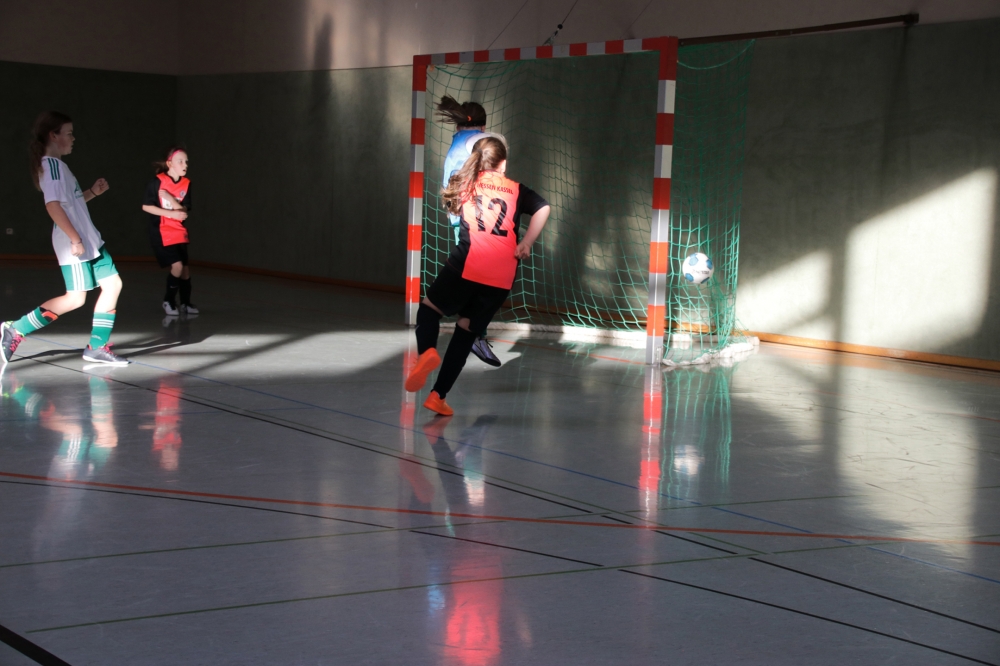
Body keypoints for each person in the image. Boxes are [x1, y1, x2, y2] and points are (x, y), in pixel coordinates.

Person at [405, 137, 550, 415]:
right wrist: (526, 242)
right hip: (501, 275)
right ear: (503, 164)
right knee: (466, 331)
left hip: (468, 263)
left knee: (429, 310)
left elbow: (455, 209)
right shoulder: (517, 189)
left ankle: (427, 353)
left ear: (476, 161)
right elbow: (543, 207)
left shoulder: (466, 183)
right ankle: (438, 396)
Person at [1, 112, 130, 367]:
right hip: (75, 242)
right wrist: (74, 238)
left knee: (113, 285)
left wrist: (92, 192)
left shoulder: (60, 166)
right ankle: (15, 329)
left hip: (90, 240)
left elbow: (71, 203)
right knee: (75, 299)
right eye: (69, 133)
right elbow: (53, 206)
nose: (73, 138)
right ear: (53, 135)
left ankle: (96, 347)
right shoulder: (51, 166)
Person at [437, 95, 506, 368]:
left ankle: (472, 332)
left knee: (476, 278)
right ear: (483, 125)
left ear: (459, 124)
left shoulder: (457, 143)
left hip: (460, 219)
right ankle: (474, 334)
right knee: (485, 281)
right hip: (476, 222)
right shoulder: (483, 141)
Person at [141, 147, 197, 316]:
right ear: (170, 163)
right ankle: (169, 301)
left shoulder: (186, 184)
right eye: (180, 161)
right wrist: (171, 213)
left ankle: (185, 303)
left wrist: (171, 200)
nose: (185, 164)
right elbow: (146, 206)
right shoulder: (157, 182)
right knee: (177, 266)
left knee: (185, 270)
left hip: (179, 231)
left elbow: (184, 210)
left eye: (186, 161)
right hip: (161, 231)